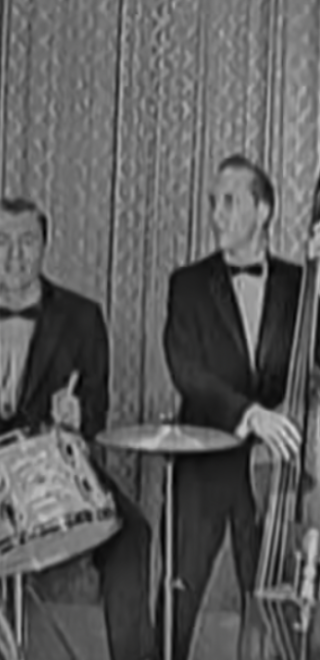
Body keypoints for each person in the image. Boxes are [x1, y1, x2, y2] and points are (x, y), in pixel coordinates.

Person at [0, 198, 158, 660]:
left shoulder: (83, 318)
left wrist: (79, 417)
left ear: (44, 247)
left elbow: (96, 408)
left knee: (134, 534)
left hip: (51, 475)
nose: (14, 255)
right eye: (1, 242)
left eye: (26, 242)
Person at [162, 154, 320, 660]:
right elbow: (187, 370)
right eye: (214, 202)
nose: (217, 214)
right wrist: (249, 414)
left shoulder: (303, 287)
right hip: (205, 461)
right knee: (176, 602)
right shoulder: (186, 284)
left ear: (264, 209)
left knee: (273, 602)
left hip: (275, 476)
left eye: (230, 201)